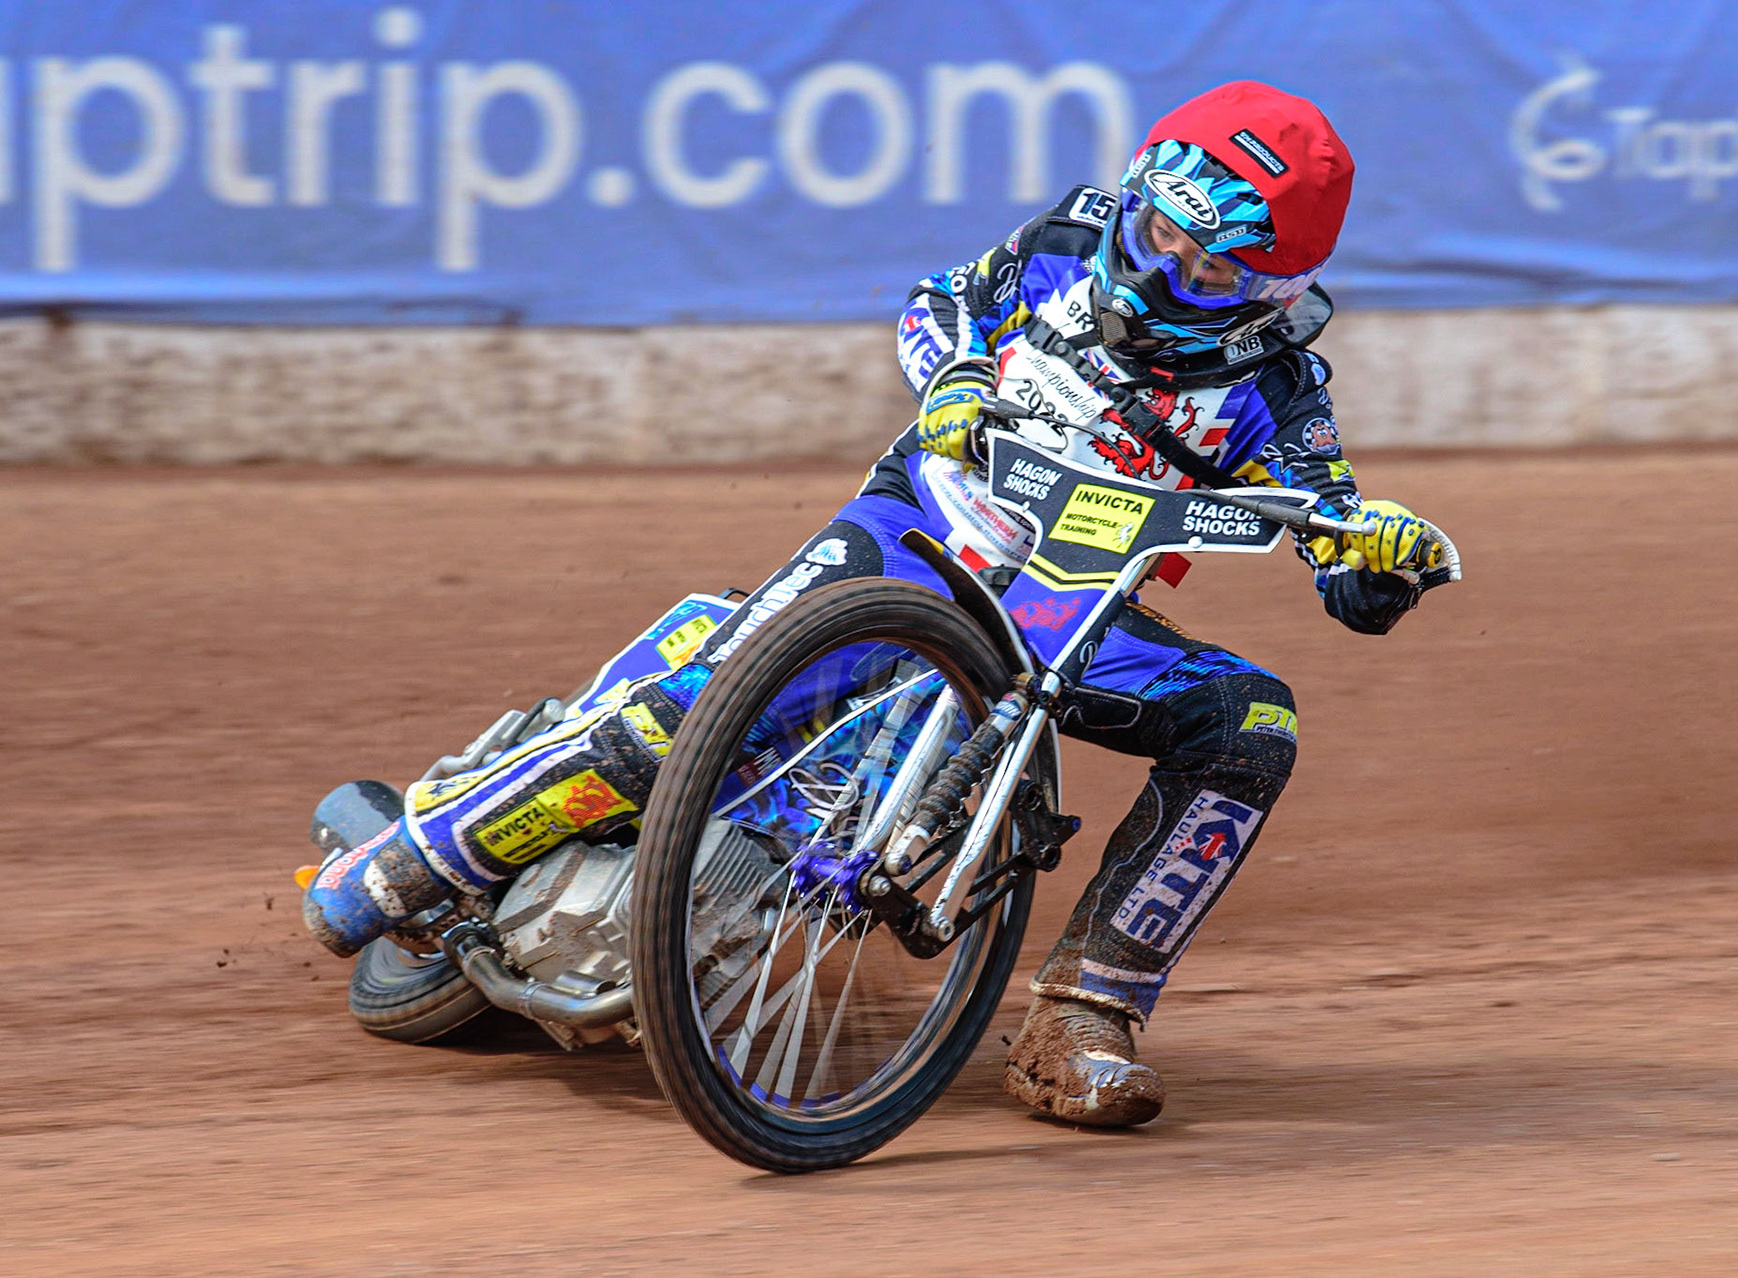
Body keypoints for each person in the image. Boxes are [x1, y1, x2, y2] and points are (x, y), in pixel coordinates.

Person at [302, 81, 1451, 1128]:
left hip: (1069, 615)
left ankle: (1085, 1014)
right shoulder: (1060, 242)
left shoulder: (1281, 393)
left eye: (1207, 274)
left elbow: (1337, 549)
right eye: (1156, 238)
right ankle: (409, 866)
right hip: (909, 538)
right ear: (1138, 197)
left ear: (1273, 289)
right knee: (687, 713)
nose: (1159, 277)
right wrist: (955, 379)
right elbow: (937, 304)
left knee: (1253, 721)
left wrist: (1381, 561)